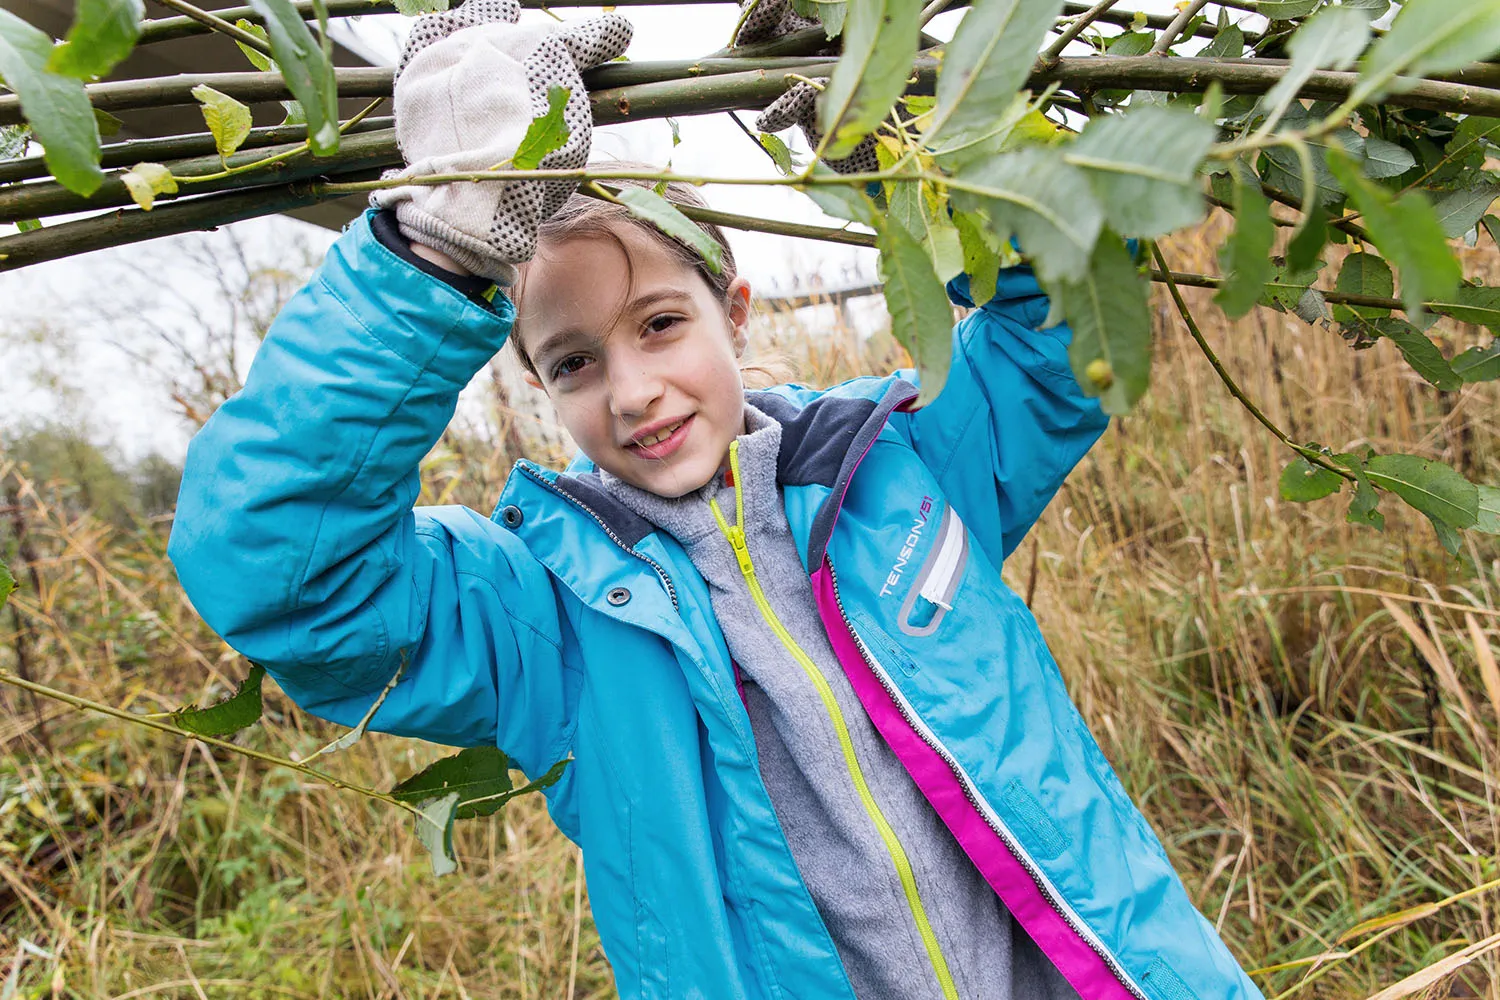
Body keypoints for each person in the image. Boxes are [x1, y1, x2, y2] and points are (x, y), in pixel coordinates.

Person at [167, 1, 1265, 998]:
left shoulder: (899, 465)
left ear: (734, 311)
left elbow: (1069, 321)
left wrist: (912, 148)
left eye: (660, 325)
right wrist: (437, 252)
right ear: (538, 384)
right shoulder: (541, 614)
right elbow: (281, 572)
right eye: (575, 362)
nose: (633, 392)